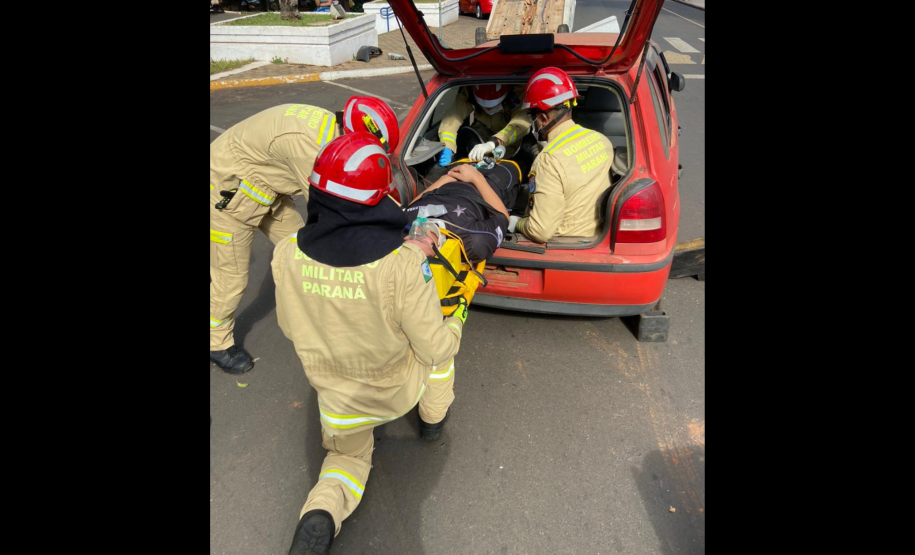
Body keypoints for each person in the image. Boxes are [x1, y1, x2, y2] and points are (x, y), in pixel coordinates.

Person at [272, 132, 469, 554]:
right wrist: (454, 323)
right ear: (380, 200)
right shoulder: (399, 266)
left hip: (336, 399)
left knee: (345, 462)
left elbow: (291, 328)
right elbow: (433, 348)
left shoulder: (286, 253)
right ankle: (432, 420)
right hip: (396, 389)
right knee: (442, 346)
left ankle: (322, 511)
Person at [210, 98, 398, 374]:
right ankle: (216, 341)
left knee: (301, 248)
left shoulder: (332, 132)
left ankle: (313, 305)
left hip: (264, 187)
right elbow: (332, 209)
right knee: (231, 276)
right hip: (227, 191)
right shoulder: (313, 150)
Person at [509, 67, 614, 243]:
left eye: (531, 116)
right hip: (596, 237)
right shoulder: (601, 140)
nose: (531, 123)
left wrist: (516, 222)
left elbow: (540, 231)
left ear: (543, 118)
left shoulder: (548, 161)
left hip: (563, 243)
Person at [407, 161, 521, 262]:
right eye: (420, 239)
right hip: (490, 183)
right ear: (434, 247)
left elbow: (412, 206)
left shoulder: (405, 225)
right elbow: (502, 217)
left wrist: (444, 180)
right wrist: (476, 178)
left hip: (451, 176)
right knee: (514, 165)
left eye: (408, 238)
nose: (415, 231)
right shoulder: (472, 241)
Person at [437, 84, 532, 166]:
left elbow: (520, 122)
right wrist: (447, 146)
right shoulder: (469, 92)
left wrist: (493, 143)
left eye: (493, 106)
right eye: (485, 107)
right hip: (482, 133)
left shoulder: (518, 93)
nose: (489, 110)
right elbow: (452, 117)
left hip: (511, 142)